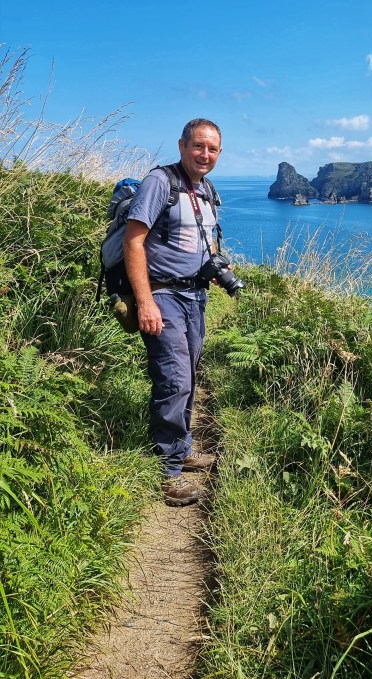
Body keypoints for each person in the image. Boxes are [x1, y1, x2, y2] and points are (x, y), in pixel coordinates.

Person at [124, 118, 223, 506]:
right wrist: (145, 300)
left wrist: (216, 268)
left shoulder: (206, 188)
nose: (205, 154)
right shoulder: (159, 183)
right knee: (174, 378)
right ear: (182, 145)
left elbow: (203, 241)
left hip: (195, 297)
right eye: (198, 146)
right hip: (163, 295)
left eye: (212, 149)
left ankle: (180, 447)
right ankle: (168, 472)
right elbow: (135, 241)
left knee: (189, 374)